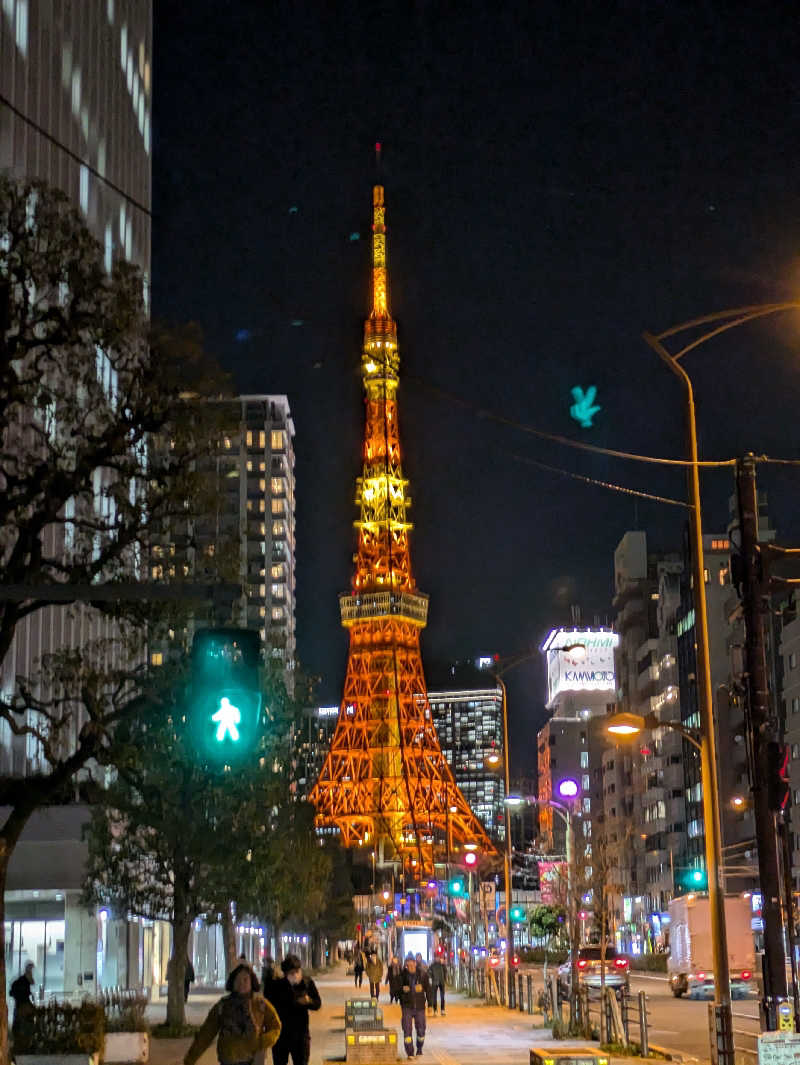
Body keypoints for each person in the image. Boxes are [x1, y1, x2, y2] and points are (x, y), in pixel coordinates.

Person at [184, 962, 281, 1065]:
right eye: (237, 979)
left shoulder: (260, 1004)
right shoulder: (222, 1006)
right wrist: (190, 1059)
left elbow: (275, 1026)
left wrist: (263, 1041)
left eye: (245, 979)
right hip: (229, 1058)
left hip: (254, 1059)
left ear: (252, 982)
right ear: (232, 982)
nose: (241, 983)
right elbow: (206, 1033)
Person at [265, 954, 321, 1065]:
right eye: (291, 973)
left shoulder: (306, 983)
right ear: (285, 974)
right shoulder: (277, 985)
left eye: (297, 971)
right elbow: (268, 1002)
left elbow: (317, 1003)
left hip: (301, 1034)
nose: (295, 975)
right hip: (280, 1034)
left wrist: (309, 1001)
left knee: (301, 1062)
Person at [399, 953, 429, 1058]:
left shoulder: (423, 975)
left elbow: (428, 990)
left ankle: (419, 1048)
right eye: (408, 965)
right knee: (407, 1030)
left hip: (420, 1007)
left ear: (415, 964)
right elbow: (396, 990)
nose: (411, 966)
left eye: (412, 964)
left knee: (421, 1030)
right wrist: (402, 990)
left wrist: (430, 1005)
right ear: (406, 965)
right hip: (407, 1007)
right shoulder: (402, 976)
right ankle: (410, 1053)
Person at [10, 962, 35, 1039]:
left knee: (20, 1023)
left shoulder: (22, 981)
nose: (32, 973)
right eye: (31, 970)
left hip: (21, 1005)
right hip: (22, 1005)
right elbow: (32, 982)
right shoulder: (23, 981)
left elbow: (32, 982)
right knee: (24, 1023)